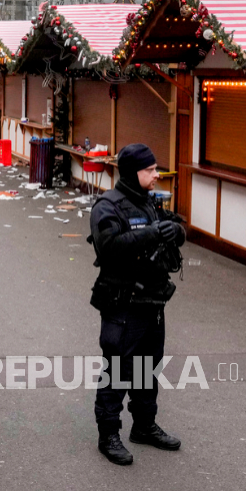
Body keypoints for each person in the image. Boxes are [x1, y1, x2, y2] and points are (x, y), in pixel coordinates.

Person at [88, 143, 185, 466]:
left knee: (148, 367)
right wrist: (154, 233)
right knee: (117, 369)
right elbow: (110, 247)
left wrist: (176, 231)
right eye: (150, 170)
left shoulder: (150, 203)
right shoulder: (107, 206)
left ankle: (143, 426)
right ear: (133, 172)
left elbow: (175, 229)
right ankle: (108, 434)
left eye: (155, 169)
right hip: (123, 301)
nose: (157, 175)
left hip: (153, 300)